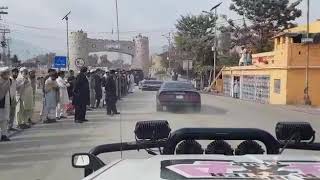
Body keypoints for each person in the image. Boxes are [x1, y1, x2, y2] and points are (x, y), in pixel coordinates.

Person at [0, 67, 11, 141]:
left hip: (6, 102)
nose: (7, 74)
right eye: (6, 73)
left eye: (8, 73)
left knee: (5, 119)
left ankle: (4, 135)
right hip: (0, 102)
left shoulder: (9, 81)